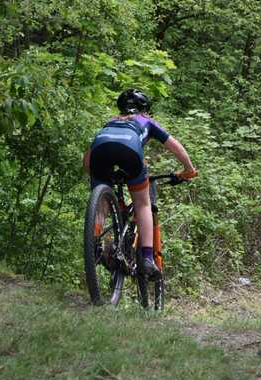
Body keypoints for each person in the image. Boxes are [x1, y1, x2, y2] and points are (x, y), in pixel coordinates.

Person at [82, 89, 197, 279]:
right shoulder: (146, 121)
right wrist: (188, 170)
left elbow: (87, 161)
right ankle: (146, 258)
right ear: (146, 109)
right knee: (143, 204)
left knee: (102, 204)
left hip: (100, 152)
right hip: (130, 153)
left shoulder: (111, 121)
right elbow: (175, 146)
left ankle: (93, 242)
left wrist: (98, 181)